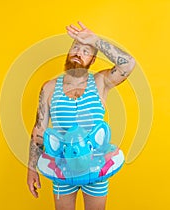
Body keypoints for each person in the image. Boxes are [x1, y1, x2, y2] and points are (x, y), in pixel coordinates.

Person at [27, 21, 136, 210]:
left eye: (86, 51)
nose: (79, 53)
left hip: (96, 169)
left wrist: (96, 40)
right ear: (69, 53)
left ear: (93, 60)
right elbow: (39, 130)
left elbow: (129, 63)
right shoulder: (49, 88)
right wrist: (31, 168)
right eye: (76, 48)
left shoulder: (101, 82)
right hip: (62, 168)